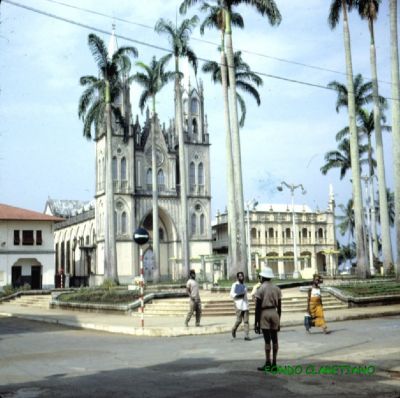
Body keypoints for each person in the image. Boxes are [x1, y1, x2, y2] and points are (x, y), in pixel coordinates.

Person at [254, 267, 282, 372]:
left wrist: (256, 322)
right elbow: (280, 307)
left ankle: (267, 363)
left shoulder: (260, 289)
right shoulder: (276, 288)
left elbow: (257, 307)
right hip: (274, 313)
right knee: (275, 339)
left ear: (263, 277)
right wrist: (278, 320)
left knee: (267, 340)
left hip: (264, 313)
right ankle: (274, 363)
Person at [230, 271, 251, 341]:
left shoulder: (245, 285)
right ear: (238, 277)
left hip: (245, 305)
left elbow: (246, 295)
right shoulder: (234, 285)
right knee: (239, 320)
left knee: (246, 321)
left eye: (242, 276)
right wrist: (238, 295)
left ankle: (246, 335)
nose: (241, 277)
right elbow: (231, 294)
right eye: (240, 276)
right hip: (238, 305)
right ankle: (234, 329)